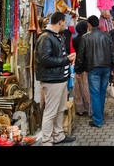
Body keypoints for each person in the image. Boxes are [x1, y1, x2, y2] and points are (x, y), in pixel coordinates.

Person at [35, 12, 76, 146]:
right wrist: (66, 59)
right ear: (60, 22)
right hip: (52, 80)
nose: (65, 25)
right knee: (50, 112)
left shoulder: (56, 36)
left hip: (60, 78)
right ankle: (46, 141)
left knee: (59, 110)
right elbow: (45, 59)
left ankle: (58, 136)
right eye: (65, 22)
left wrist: (66, 59)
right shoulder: (46, 37)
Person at [76, 15, 114, 128]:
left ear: (89, 24)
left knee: (95, 94)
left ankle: (98, 120)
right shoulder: (106, 35)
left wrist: (78, 70)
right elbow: (112, 52)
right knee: (101, 93)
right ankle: (99, 116)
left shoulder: (85, 37)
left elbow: (80, 56)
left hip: (93, 68)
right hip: (105, 68)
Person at [72, 20, 92, 117]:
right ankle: (89, 109)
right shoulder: (88, 39)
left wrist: (77, 69)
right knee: (87, 89)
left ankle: (80, 109)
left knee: (78, 89)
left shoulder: (74, 39)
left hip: (78, 65)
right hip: (87, 66)